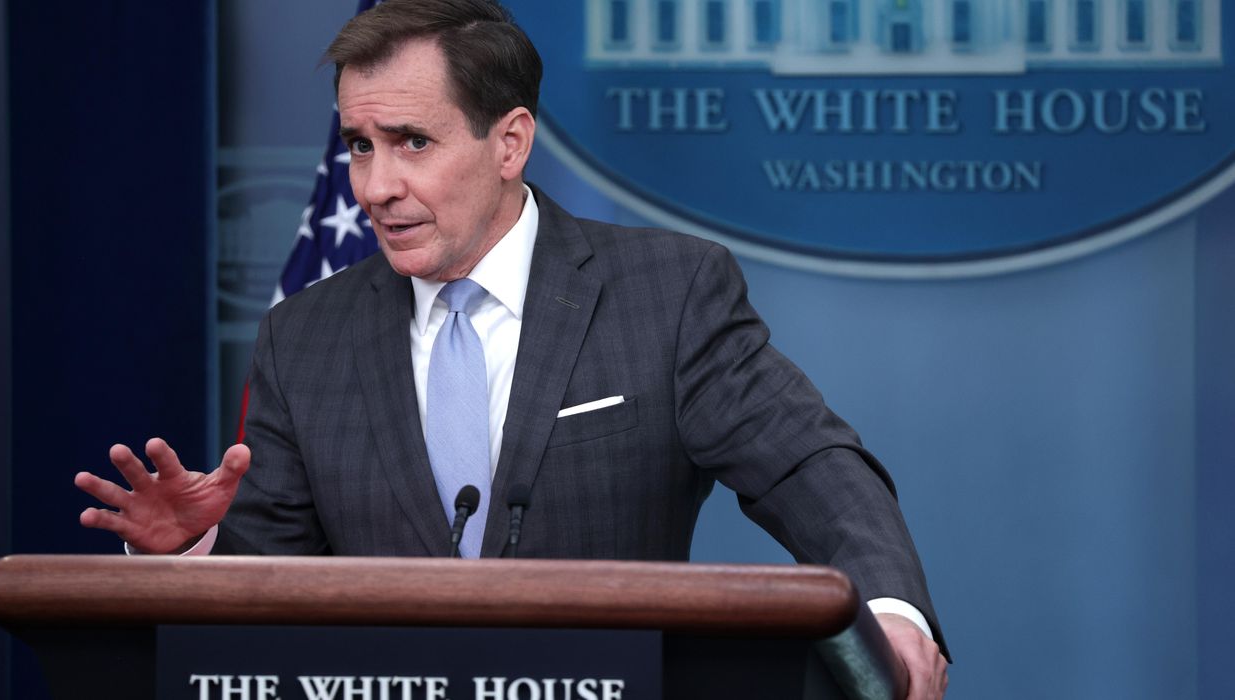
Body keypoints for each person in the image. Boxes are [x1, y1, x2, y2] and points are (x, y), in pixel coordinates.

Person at [75, 0, 948, 695]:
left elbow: (806, 465)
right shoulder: (306, 336)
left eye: (412, 142)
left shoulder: (666, 293)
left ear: (510, 142)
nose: (378, 186)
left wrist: (889, 611)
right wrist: (185, 562)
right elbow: (271, 593)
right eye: (358, 146)